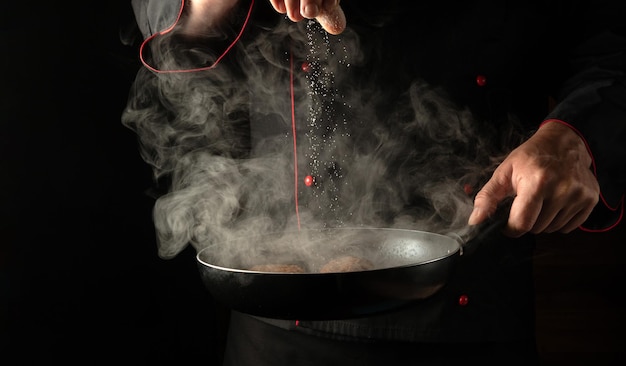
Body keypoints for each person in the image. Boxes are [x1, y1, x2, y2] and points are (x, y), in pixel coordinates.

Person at [122, 0, 626, 364]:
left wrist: (576, 137)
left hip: (474, 310)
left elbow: (611, 36)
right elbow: (165, 14)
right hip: (282, 325)